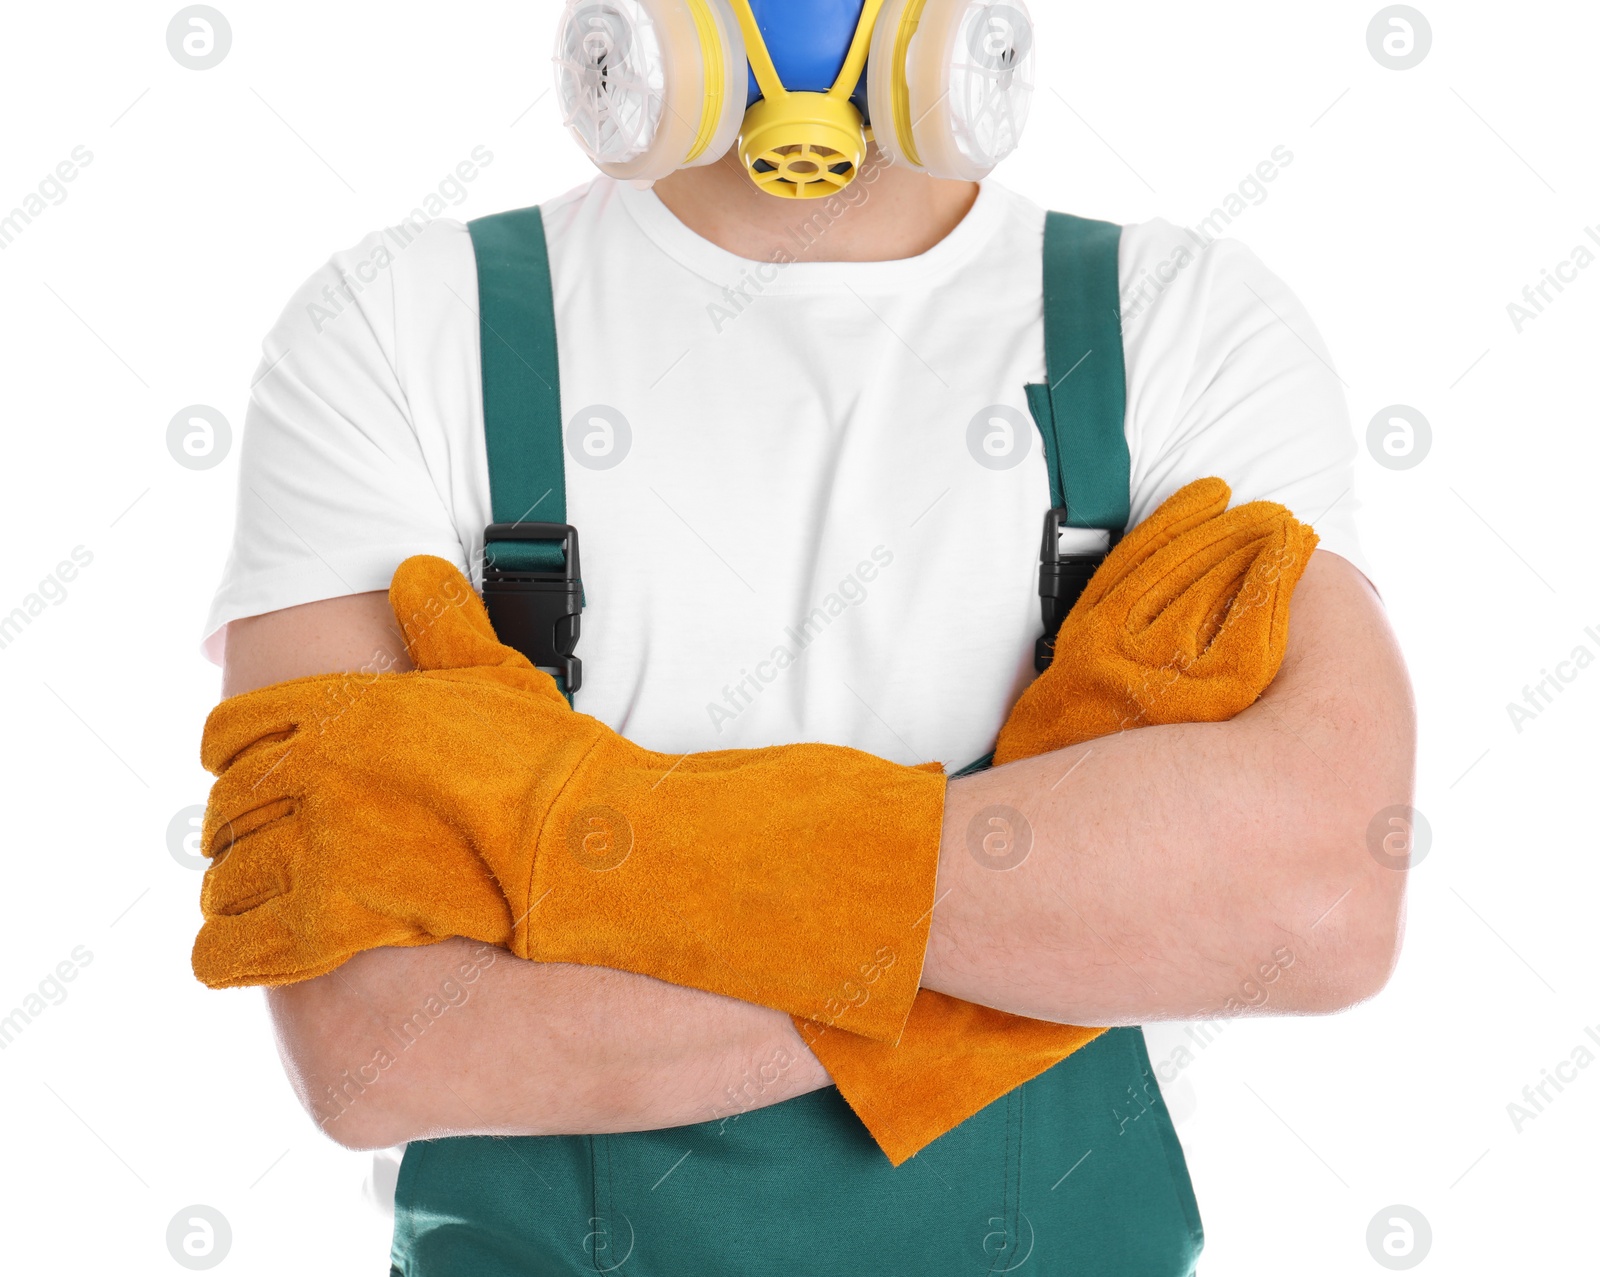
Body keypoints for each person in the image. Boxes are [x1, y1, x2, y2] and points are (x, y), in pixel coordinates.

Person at [199, 2, 1414, 1271]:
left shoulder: (1181, 322)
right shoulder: (394, 329)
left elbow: (1319, 901)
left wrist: (565, 826)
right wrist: (1083, 917)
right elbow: (373, 1043)